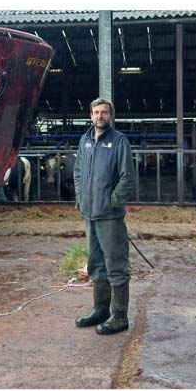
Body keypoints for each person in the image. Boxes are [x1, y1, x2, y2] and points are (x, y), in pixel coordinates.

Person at [72, 98, 136, 335]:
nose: (100, 116)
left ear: (111, 116)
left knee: (116, 265)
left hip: (109, 216)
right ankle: (101, 310)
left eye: (104, 113)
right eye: (96, 112)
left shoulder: (119, 142)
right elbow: (78, 172)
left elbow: (128, 177)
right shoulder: (85, 140)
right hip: (89, 214)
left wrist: (112, 202)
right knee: (95, 264)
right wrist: (81, 198)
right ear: (91, 115)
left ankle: (119, 316)